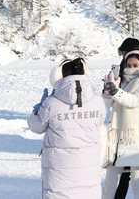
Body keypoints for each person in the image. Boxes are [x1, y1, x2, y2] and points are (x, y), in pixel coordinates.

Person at [27, 58, 106, 199]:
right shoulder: (98, 101)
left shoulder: (51, 102)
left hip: (59, 171)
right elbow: (99, 122)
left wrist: (37, 111)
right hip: (88, 168)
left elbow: (36, 127)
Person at [102, 50, 139, 199]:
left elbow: (136, 100)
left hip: (137, 139)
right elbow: (107, 104)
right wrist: (108, 90)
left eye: (135, 65)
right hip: (117, 138)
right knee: (109, 185)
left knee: (137, 184)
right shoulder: (121, 81)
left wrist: (116, 92)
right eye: (128, 65)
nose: (131, 68)